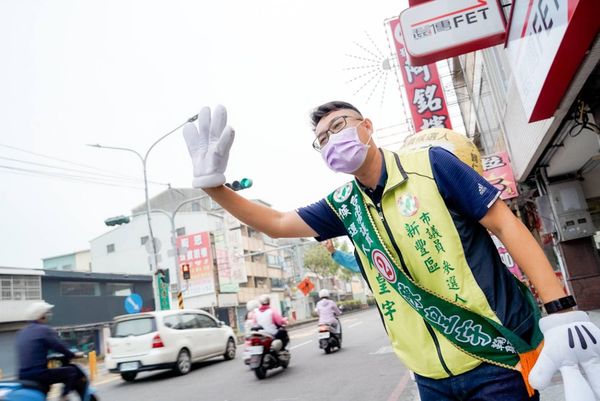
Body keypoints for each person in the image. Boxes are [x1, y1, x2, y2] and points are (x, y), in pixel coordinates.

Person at [183, 102, 600, 401]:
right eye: (322, 138)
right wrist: (213, 186)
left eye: (338, 125)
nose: (331, 139)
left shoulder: (433, 165)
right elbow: (276, 224)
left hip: (494, 360)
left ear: (366, 126)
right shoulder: (345, 207)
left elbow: (506, 223)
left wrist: (561, 310)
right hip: (429, 376)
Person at [16, 301, 87, 401]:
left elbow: (33, 353)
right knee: (72, 371)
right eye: (47, 313)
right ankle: (64, 397)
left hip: (22, 375)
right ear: (41, 316)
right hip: (38, 374)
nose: (49, 315)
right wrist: (73, 354)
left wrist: (49, 357)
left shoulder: (21, 332)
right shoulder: (43, 329)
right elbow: (59, 346)